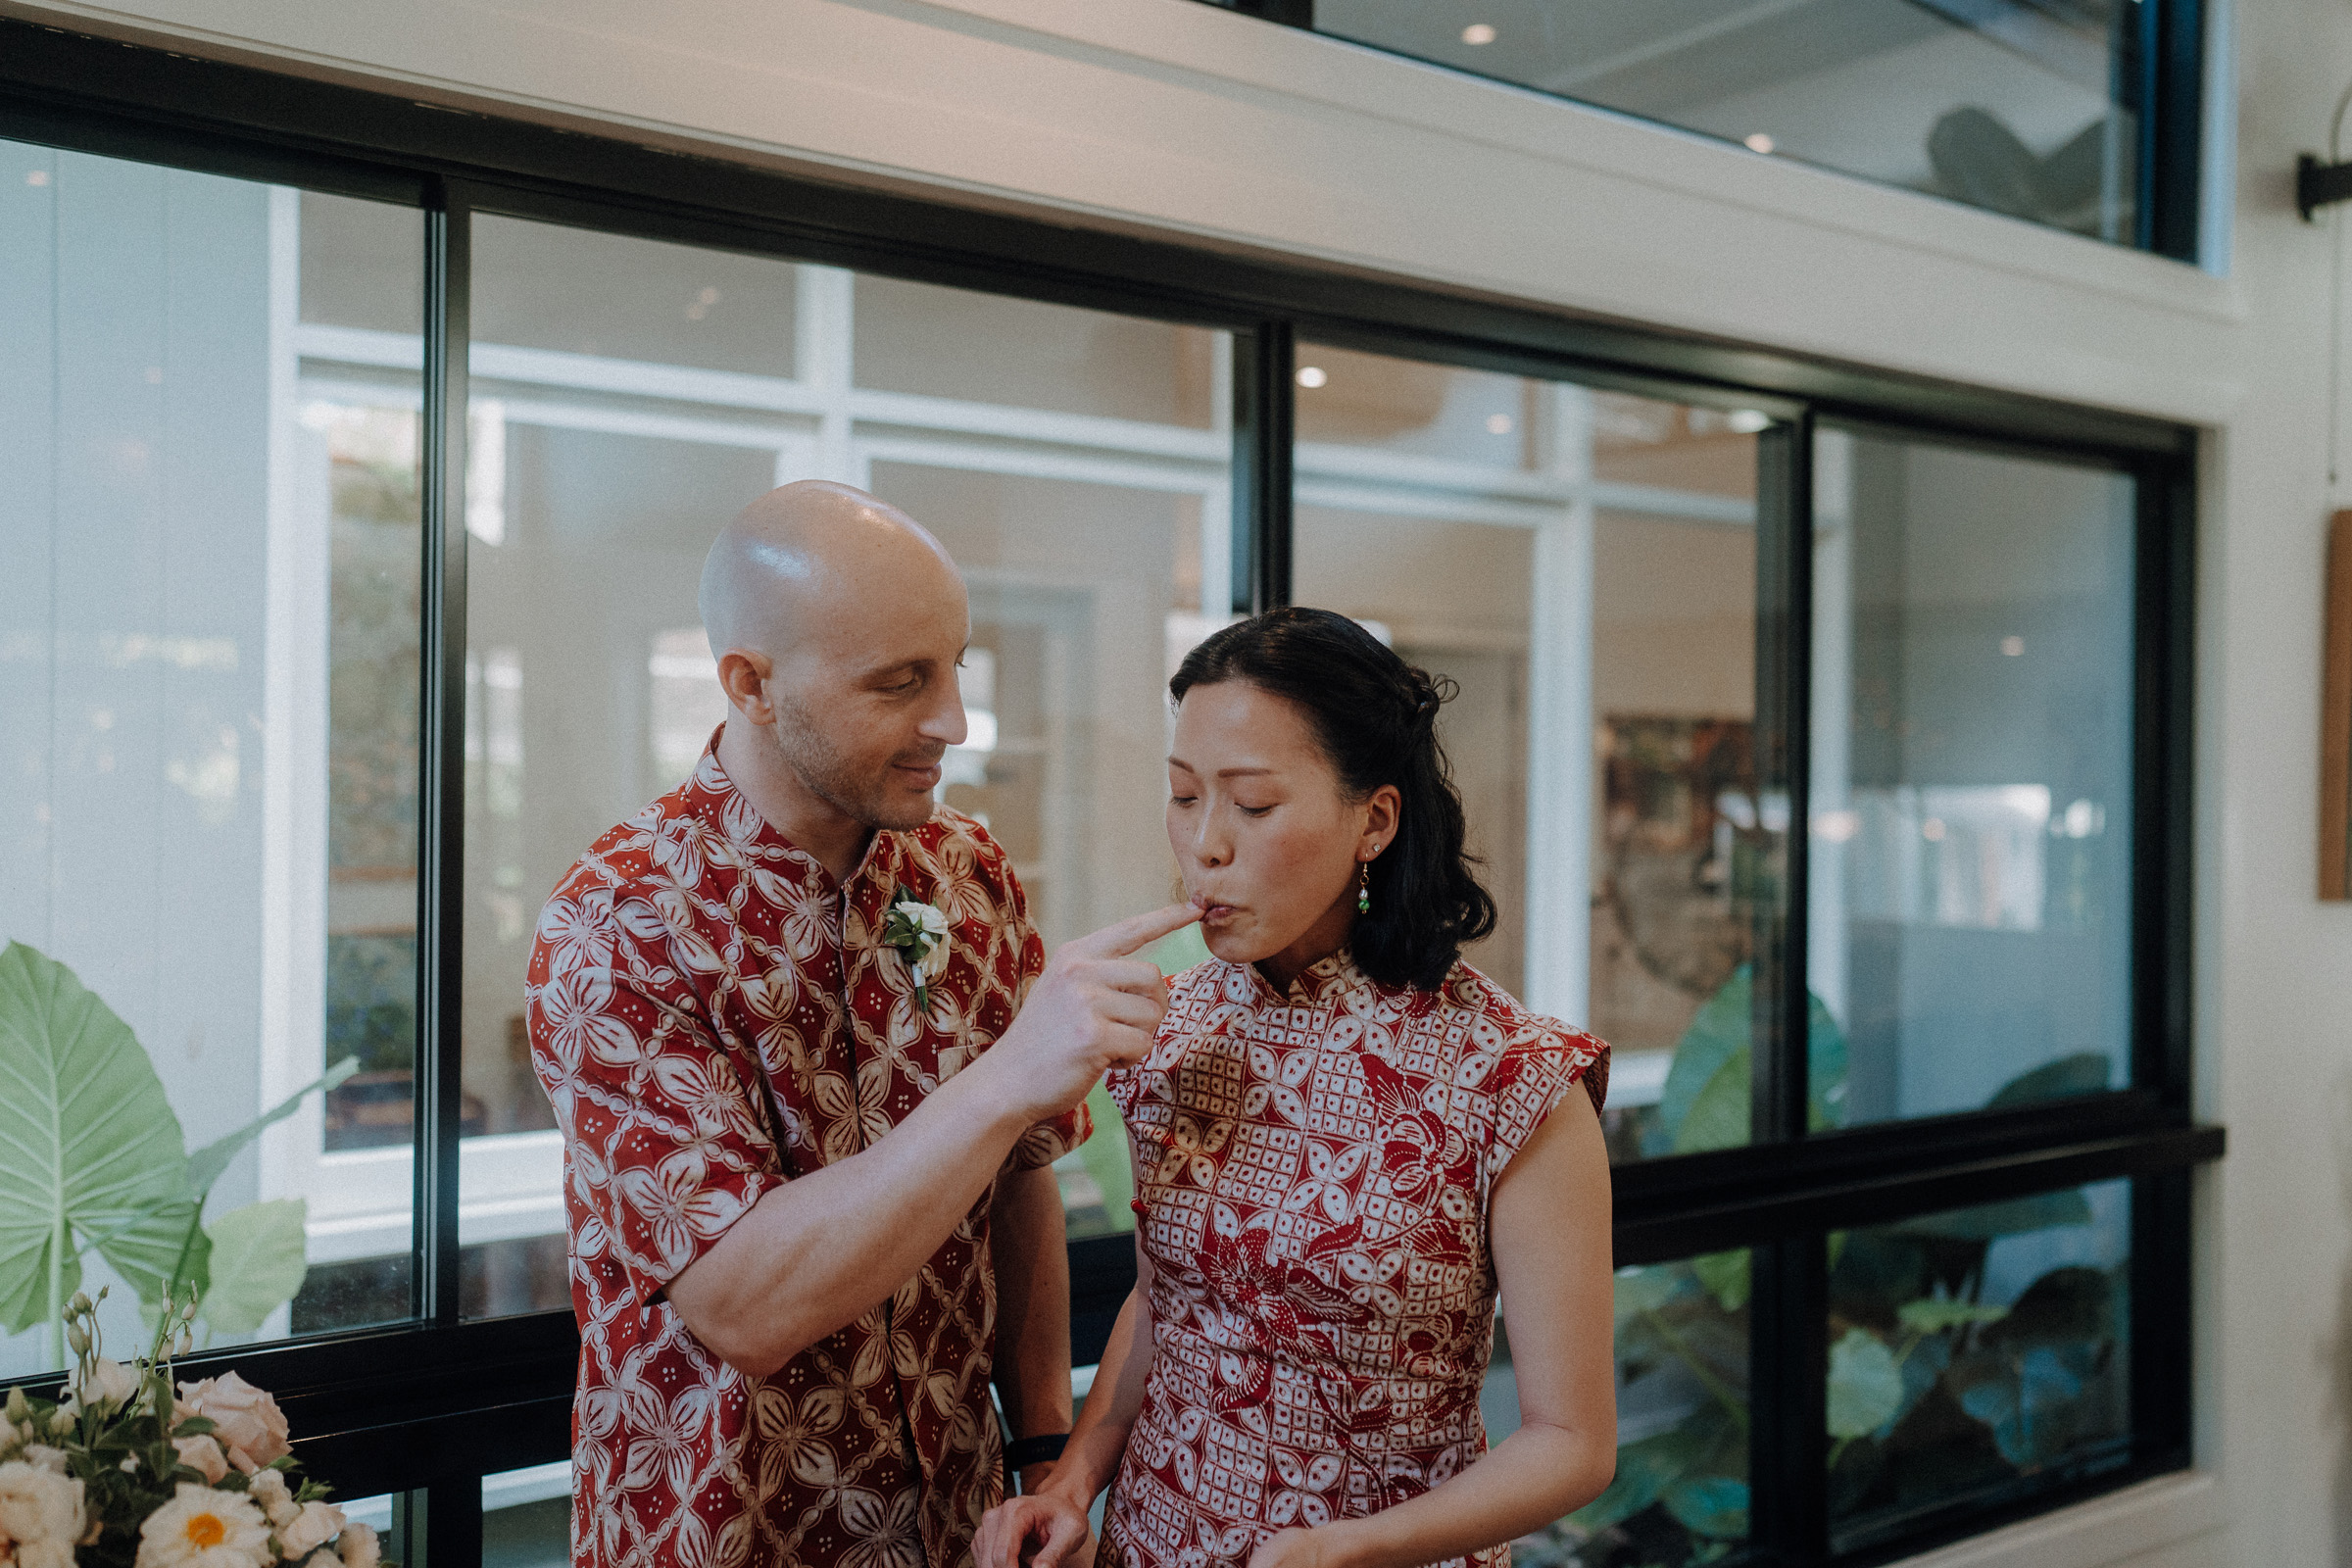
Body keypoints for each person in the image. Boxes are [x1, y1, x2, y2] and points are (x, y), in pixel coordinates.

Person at [526, 480, 1199, 1568]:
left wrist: (1041, 1455)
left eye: (953, 667)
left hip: (960, 1521)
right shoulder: (622, 921)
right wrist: (1007, 1074)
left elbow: (1020, 1181)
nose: (953, 723)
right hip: (728, 1531)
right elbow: (742, 1304)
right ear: (752, 683)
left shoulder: (969, 871)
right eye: (900, 683)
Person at [977, 608, 1618, 1568]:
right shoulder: (1174, 1025)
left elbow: (1572, 1443)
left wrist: (1352, 1547)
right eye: (1184, 796)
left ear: (1377, 820)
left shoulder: (1509, 1078)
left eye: (1253, 803)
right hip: (1153, 1545)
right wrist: (1073, 1479)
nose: (1205, 844)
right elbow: (1167, 1301)